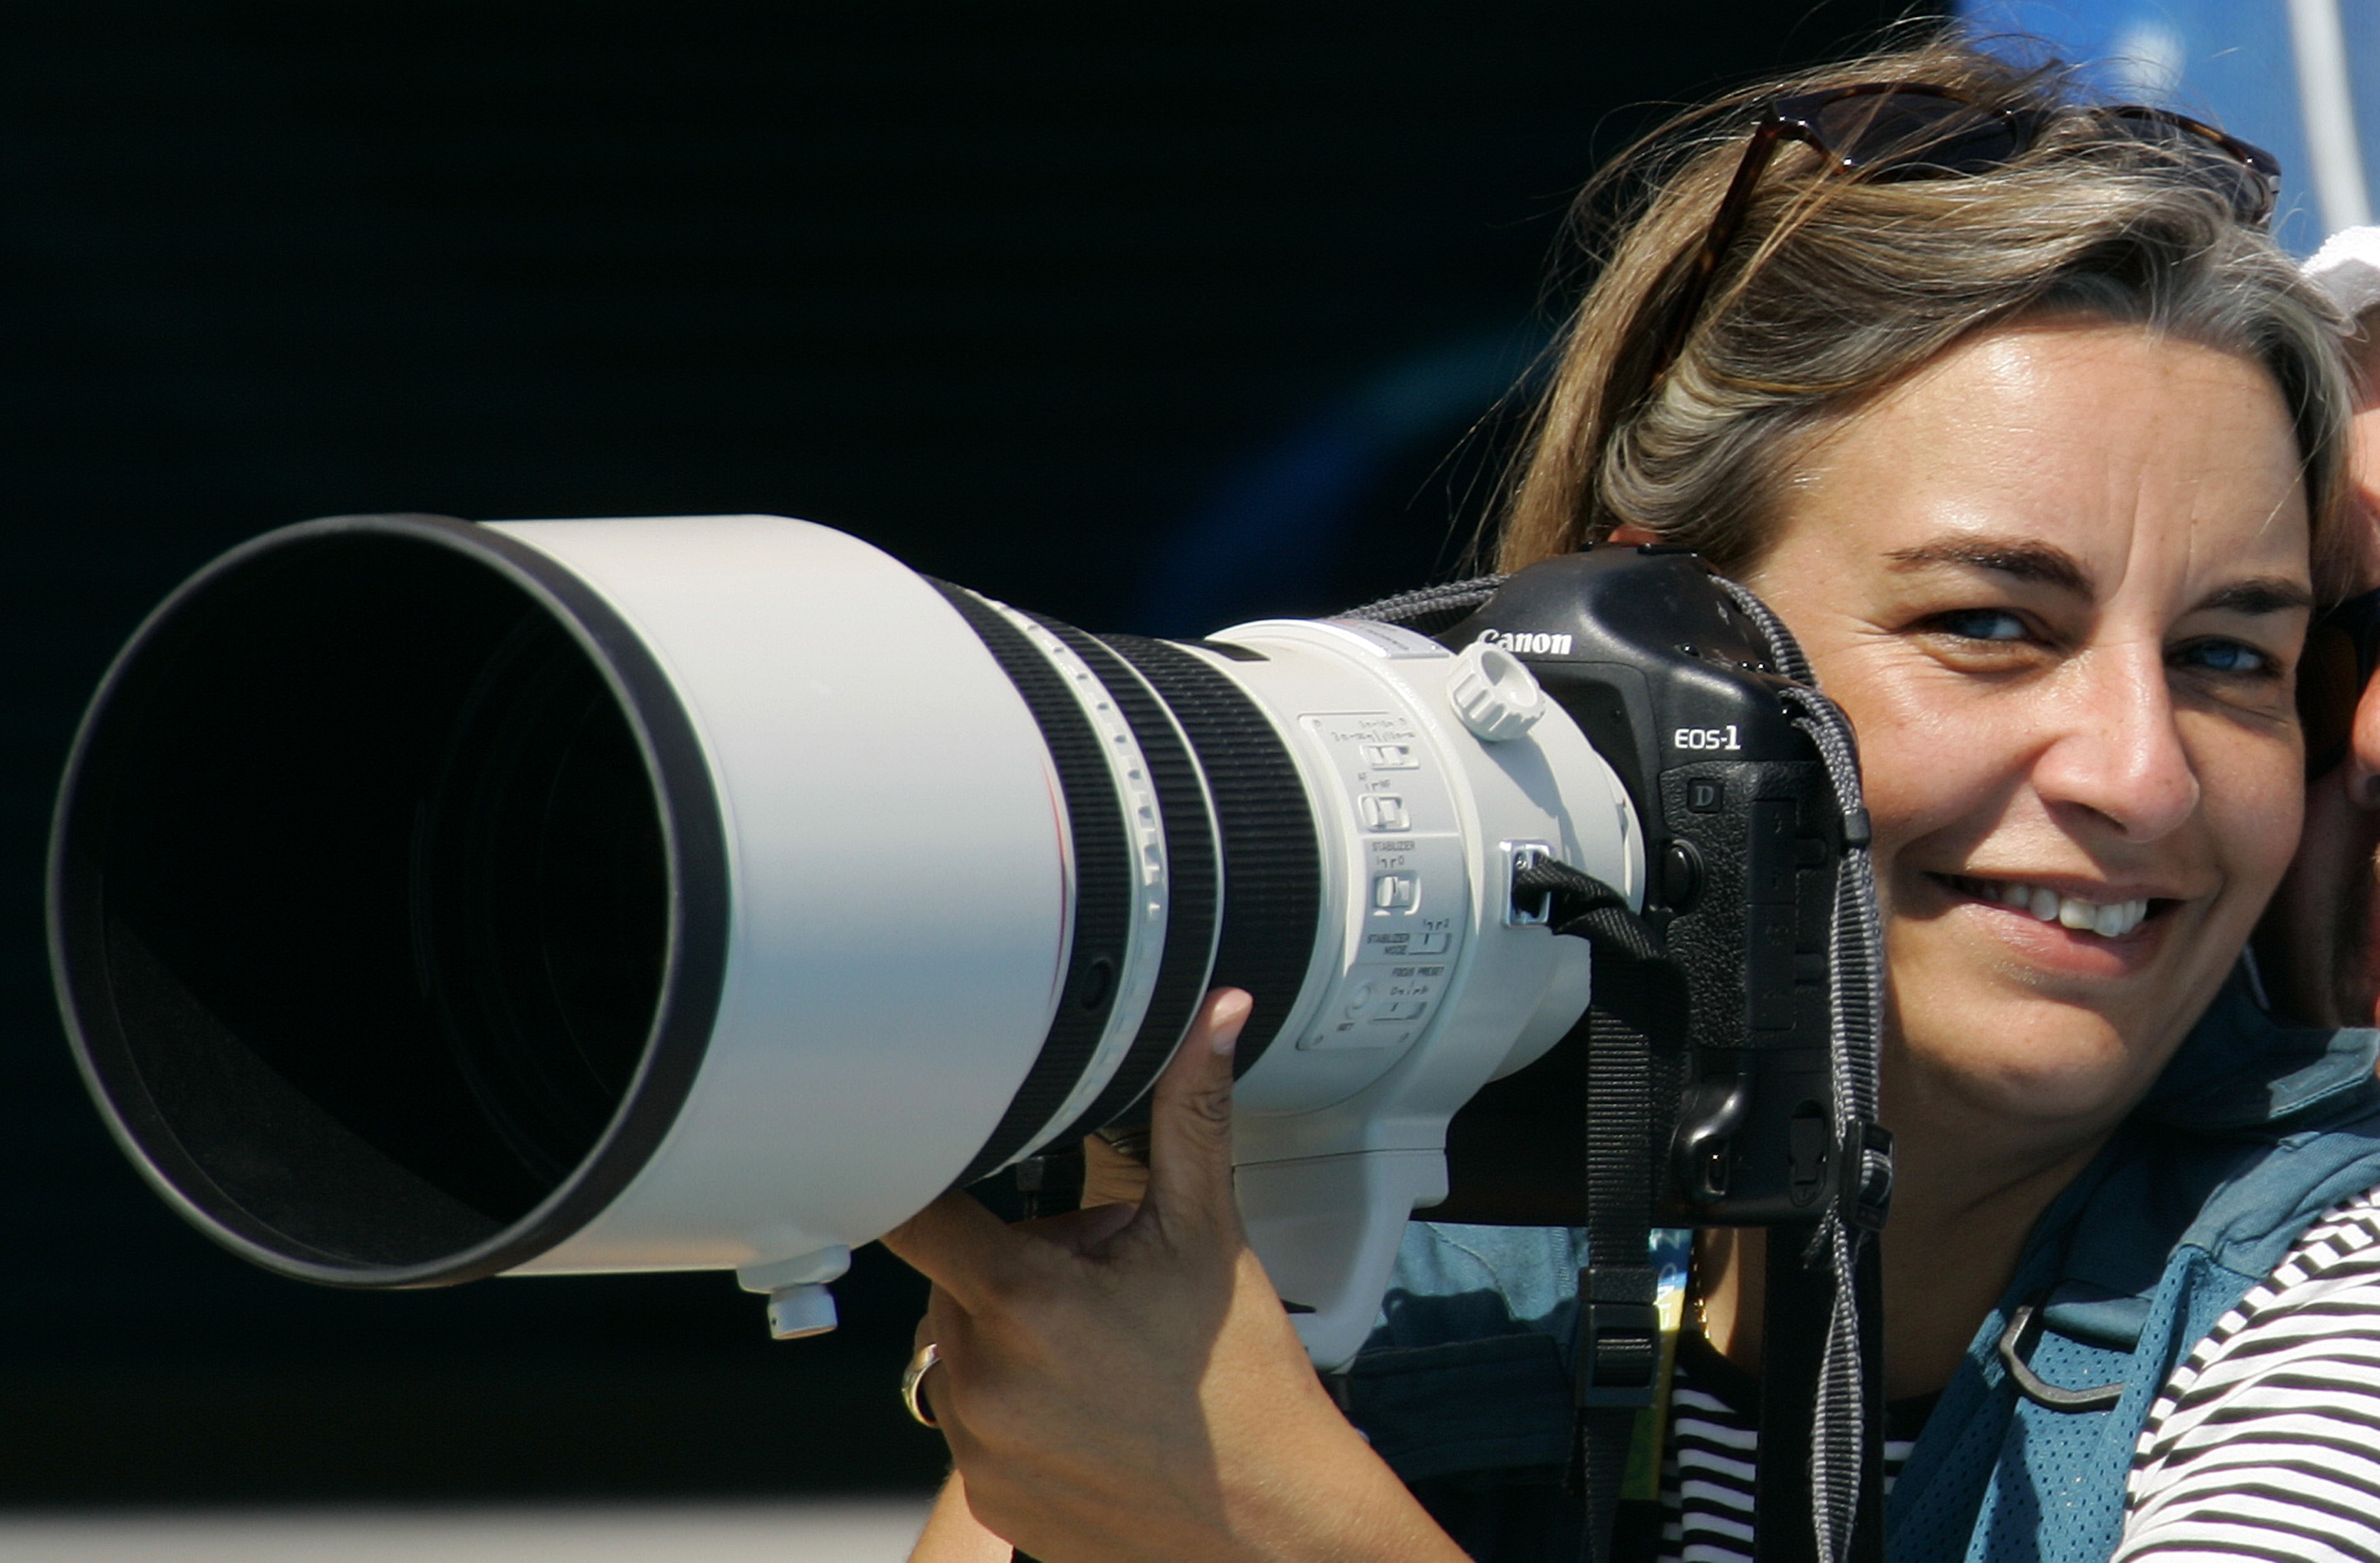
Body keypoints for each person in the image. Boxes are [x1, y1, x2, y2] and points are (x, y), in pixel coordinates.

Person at [884, 37, 2380, 1563]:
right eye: (1989, 625)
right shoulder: (1388, 1231)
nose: (2140, 770)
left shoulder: (2337, 1290)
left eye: (2225, 655)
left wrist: (1248, 1507)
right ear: (1676, 647)